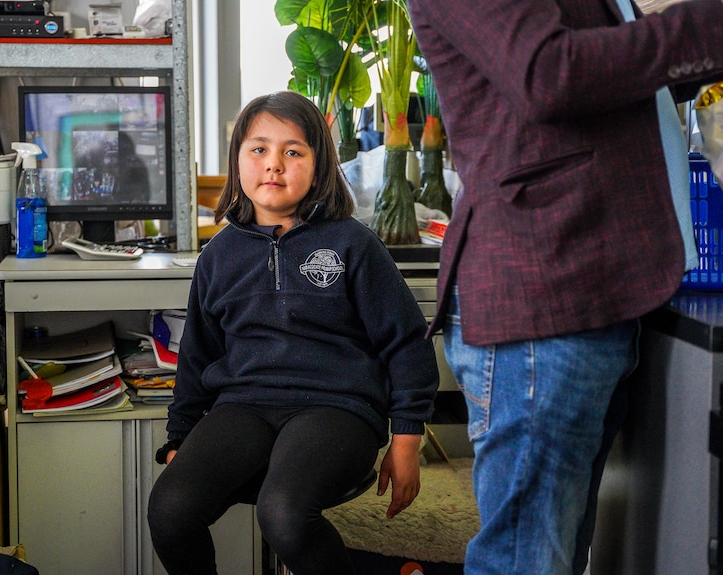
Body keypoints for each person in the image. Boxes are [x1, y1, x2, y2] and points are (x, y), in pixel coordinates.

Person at [407, 0, 723, 574]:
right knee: (526, 561)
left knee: (551, 557)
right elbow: (548, 73)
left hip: (591, 284)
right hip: (545, 293)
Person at [147, 90, 440, 575]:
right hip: (242, 406)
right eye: (259, 149)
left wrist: (406, 439)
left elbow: (406, 342)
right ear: (237, 160)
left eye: (293, 151)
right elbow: (197, 357)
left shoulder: (353, 244)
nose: (274, 165)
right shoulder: (218, 256)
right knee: (170, 509)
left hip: (337, 407)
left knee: (282, 513)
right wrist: (180, 437)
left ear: (319, 165)